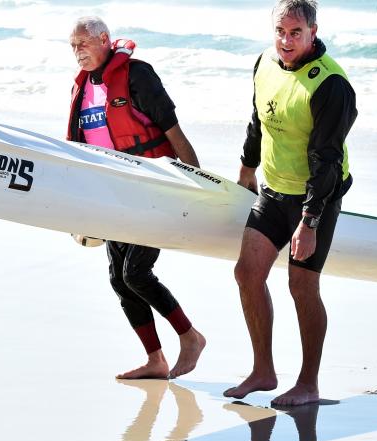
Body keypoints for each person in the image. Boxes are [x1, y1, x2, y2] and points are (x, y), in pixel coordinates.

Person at [224, 0, 357, 406]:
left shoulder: (331, 85)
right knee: (247, 273)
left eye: (295, 33)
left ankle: (308, 383)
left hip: (317, 196)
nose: (286, 41)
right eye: (280, 32)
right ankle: (263, 371)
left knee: (301, 285)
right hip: (273, 189)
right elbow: (258, 119)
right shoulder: (265, 62)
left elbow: (327, 160)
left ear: (313, 32)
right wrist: (247, 168)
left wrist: (309, 221)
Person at [66, 16, 206, 380]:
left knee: (136, 272)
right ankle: (155, 359)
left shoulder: (137, 75)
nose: (77, 52)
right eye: (73, 46)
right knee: (118, 277)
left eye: (83, 43)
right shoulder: (82, 89)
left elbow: (174, 133)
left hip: (153, 188)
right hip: (113, 193)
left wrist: (197, 186)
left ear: (104, 40)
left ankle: (190, 337)